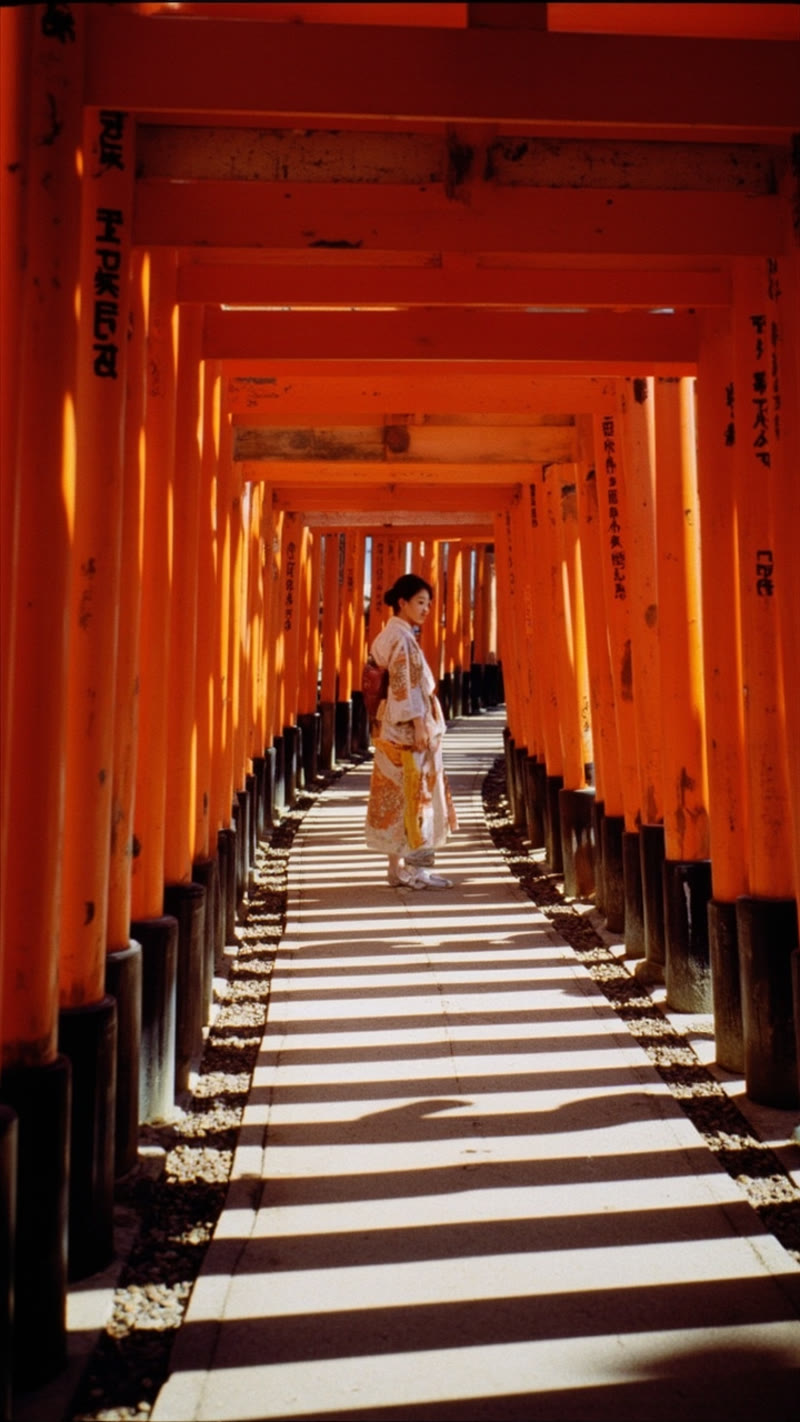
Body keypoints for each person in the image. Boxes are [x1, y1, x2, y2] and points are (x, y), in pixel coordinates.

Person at [365, 574, 458, 889]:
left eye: (428, 603)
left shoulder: (388, 635)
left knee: (396, 797)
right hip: (407, 731)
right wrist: (419, 725)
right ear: (402, 603)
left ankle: (395, 869)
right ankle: (417, 868)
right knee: (418, 795)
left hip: (390, 727)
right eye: (420, 602)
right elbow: (406, 688)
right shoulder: (402, 639)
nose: (426, 609)